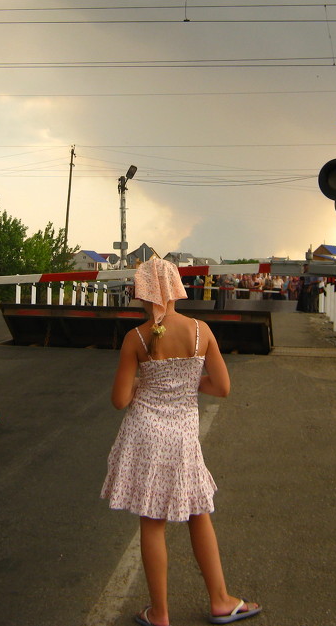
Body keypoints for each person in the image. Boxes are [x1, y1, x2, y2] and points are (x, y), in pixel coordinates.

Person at [101, 258, 262, 626]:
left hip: (145, 433)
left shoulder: (137, 338)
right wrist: (189, 385)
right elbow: (221, 387)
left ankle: (159, 612)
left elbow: (120, 399)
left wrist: (145, 384)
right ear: (176, 288)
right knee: (198, 511)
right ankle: (220, 599)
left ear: (142, 292)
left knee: (152, 519)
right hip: (183, 434)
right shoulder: (201, 331)